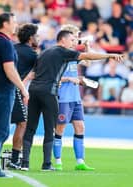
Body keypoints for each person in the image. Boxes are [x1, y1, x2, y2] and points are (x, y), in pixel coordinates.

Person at [21, 30, 123, 171]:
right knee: (50, 129)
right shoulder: (63, 52)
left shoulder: (44, 53)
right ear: (63, 40)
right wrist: (110, 55)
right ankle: (47, 164)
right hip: (49, 92)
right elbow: (88, 57)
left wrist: (23, 88)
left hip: (34, 90)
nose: (74, 43)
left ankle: (24, 163)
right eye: (72, 40)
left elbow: (33, 73)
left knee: (30, 128)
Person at [0, 23, 38, 169]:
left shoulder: (11, 47)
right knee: (22, 123)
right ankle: (14, 159)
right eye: (36, 36)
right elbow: (40, 72)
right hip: (14, 90)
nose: (38, 38)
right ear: (31, 38)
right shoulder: (32, 54)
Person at [53, 24, 94, 171]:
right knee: (60, 128)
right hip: (63, 97)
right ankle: (58, 161)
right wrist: (69, 79)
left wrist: (87, 47)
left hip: (75, 97)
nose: (77, 39)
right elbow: (52, 77)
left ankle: (80, 161)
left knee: (80, 126)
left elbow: (88, 62)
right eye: (75, 36)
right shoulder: (58, 54)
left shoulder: (74, 54)